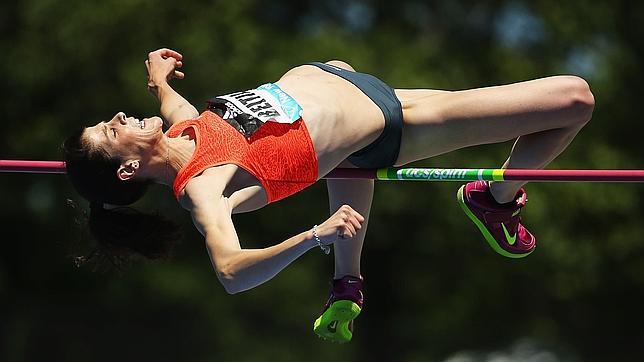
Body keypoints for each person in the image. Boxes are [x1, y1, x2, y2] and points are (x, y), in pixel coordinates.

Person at [63, 48, 594, 343]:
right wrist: (311, 237)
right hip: (394, 124)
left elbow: (181, 109)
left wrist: (159, 81)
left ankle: (348, 281)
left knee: (346, 156)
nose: (114, 118)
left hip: (358, 86)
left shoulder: (181, 134)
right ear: (130, 168)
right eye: (109, 132)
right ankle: (495, 199)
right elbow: (230, 273)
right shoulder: (204, 190)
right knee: (573, 98)